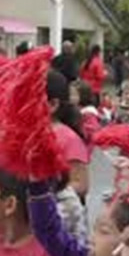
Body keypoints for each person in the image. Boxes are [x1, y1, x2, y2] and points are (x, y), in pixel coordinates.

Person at [48, 71, 92, 243]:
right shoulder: (27, 134)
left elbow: (81, 184)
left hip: (62, 224)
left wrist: (46, 198)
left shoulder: (67, 138)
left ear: (52, 104)